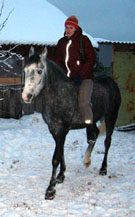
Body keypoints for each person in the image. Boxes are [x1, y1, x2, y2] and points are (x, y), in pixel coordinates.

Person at [55, 15, 97, 143]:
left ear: (76, 28)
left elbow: (91, 59)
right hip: (68, 79)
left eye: (71, 27)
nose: (68, 30)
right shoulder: (61, 42)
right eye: (66, 27)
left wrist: (81, 75)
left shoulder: (83, 40)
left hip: (84, 78)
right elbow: (58, 61)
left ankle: (90, 128)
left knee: (83, 103)